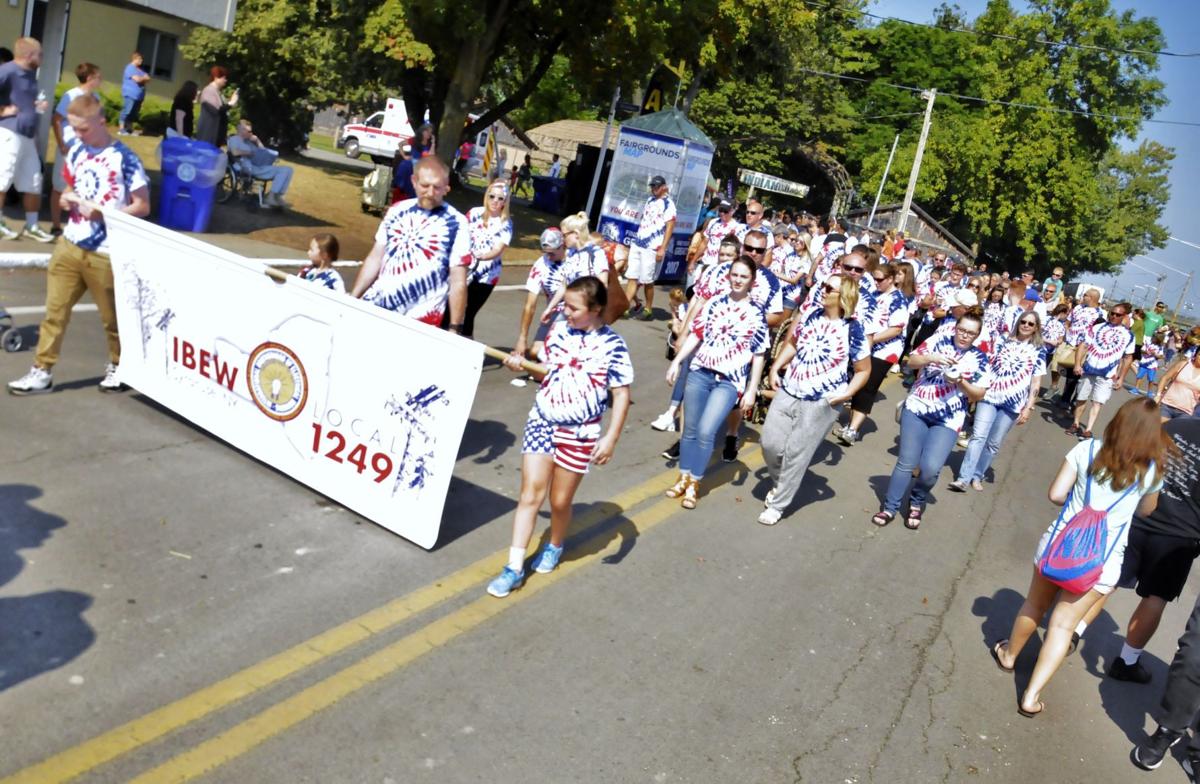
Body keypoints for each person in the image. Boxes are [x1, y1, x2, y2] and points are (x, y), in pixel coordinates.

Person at [991, 398, 1167, 718]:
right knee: (1062, 626)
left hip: (1059, 546)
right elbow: (1147, 510)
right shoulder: (1151, 473)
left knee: (1034, 603)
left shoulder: (1086, 450)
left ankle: (1009, 655)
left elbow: (1056, 494)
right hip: (1102, 562)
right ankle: (1031, 696)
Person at [486, 276, 632, 598]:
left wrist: (610, 438)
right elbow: (549, 370)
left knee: (560, 501)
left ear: (595, 309)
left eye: (572, 307)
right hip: (543, 420)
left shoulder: (613, 346)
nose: (564, 311)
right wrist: (520, 364)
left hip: (579, 433)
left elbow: (621, 394)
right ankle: (513, 567)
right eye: (565, 304)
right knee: (530, 496)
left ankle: (554, 544)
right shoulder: (560, 331)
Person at [8, 93, 151, 395]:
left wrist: (104, 213)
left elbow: (142, 205)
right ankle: (41, 370)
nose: (77, 135)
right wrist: (66, 196)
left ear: (101, 121)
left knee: (112, 319)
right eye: (73, 128)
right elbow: (72, 182)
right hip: (70, 244)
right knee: (54, 313)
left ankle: (119, 364)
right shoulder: (75, 150)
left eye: (83, 129)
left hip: (106, 252)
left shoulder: (125, 158)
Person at [760, 275, 871, 525]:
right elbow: (794, 344)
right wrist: (776, 367)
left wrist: (845, 395)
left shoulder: (853, 329)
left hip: (821, 400)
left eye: (828, 288)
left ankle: (778, 504)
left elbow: (864, 370)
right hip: (790, 389)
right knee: (771, 443)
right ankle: (781, 484)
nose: (822, 290)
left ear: (843, 296)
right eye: (822, 285)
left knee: (796, 453)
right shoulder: (810, 316)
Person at [872, 309, 991, 530]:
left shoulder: (980, 358)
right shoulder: (938, 340)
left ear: (977, 336)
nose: (964, 335)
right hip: (917, 408)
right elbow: (911, 362)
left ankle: (916, 500)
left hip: (948, 418)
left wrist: (960, 381)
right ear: (955, 328)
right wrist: (931, 358)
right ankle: (890, 507)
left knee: (930, 468)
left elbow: (978, 394)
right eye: (961, 330)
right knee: (906, 462)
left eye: (971, 333)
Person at [665, 257, 767, 510]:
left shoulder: (756, 313)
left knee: (706, 431)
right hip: (701, 372)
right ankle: (683, 476)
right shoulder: (713, 303)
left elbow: (759, 353)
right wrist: (677, 361)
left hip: (728, 381)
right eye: (735, 275)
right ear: (728, 275)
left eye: (743, 276)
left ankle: (695, 483)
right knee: (689, 430)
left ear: (751, 281)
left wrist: (752, 389)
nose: (738, 280)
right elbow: (697, 335)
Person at [350, 156, 470, 330]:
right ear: (414, 181)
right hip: (377, 307)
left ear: (446, 188)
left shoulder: (458, 223)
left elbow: (458, 280)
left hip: (420, 322)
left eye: (436, 187)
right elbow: (375, 258)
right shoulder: (396, 211)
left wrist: (454, 327)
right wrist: (353, 298)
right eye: (424, 185)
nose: (430, 192)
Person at [653, 236, 742, 441]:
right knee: (686, 369)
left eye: (730, 255)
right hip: (700, 331)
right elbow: (696, 301)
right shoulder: (710, 271)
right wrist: (684, 332)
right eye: (722, 254)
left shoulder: (739, 279)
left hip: (721, 338)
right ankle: (672, 413)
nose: (725, 259)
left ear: (737, 256)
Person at [950, 310, 1045, 491]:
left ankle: (977, 475)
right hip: (990, 396)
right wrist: (974, 389)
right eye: (1023, 321)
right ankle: (964, 478)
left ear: (1036, 328)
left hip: (1013, 403)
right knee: (978, 436)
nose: (1026, 325)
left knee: (993, 443)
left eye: (1030, 324)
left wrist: (1028, 408)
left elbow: (1036, 381)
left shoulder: (1039, 350)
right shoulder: (1002, 340)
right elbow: (985, 365)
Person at [840, 262, 912, 445]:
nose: (876, 282)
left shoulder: (898, 300)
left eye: (880, 279)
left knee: (868, 388)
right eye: (874, 279)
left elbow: (896, 329)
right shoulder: (874, 295)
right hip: (865, 347)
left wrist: (870, 339)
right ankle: (850, 425)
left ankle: (853, 430)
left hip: (885, 351)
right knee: (856, 384)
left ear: (890, 279)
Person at [0, 37, 53, 242]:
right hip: (8, 133)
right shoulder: (7, 71)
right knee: (2, 181)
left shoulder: (31, 74)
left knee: (33, 183)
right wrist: (4, 110)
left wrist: (36, 106)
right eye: (40, 54)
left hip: (28, 137)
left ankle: (32, 226)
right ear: (29, 55)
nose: (42, 57)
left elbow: (24, 100)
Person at [452, 179, 512, 339]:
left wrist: (482, 256)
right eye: (492, 196)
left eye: (500, 199)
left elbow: (498, 249)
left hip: (486, 276)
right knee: (453, 308)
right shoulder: (474, 213)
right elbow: (459, 232)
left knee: (469, 312)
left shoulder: (505, 224)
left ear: (505, 202)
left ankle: (468, 347)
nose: (495, 201)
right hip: (465, 268)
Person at [1068, 301, 1135, 439]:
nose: (1114, 316)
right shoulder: (1097, 327)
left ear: (1124, 316)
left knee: (1098, 402)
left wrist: (1121, 377)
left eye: (1118, 315)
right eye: (1112, 313)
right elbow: (1083, 345)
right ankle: (1075, 423)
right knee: (1081, 397)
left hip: (1107, 375)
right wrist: (1077, 364)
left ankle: (1088, 429)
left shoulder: (1128, 335)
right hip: (1088, 369)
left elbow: (1128, 358)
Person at [50, 62, 102, 236]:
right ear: (89, 78)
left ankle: (81, 225)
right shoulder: (71, 95)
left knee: (86, 187)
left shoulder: (96, 98)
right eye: (97, 77)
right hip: (70, 148)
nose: (100, 81)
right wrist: (61, 143)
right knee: (60, 186)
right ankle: (56, 225)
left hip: (88, 149)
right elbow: (56, 119)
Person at [624, 175, 676, 320]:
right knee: (632, 276)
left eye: (656, 186)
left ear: (664, 187)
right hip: (638, 242)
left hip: (652, 246)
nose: (653, 189)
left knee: (647, 280)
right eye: (652, 186)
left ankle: (648, 308)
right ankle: (625, 307)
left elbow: (670, 226)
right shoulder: (649, 200)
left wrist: (662, 248)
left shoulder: (668, 204)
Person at [512, 228, 567, 364]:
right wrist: (522, 338)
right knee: (536, 352)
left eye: (552, 253)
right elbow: (530, 304)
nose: (548, 257)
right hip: (553, 313)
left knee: (550, 359)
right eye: (545, 253)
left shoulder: (576, 260)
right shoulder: (541, 264)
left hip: (575, 314)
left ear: (562, 246)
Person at [226, 119, 294, 209]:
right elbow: (234, 152)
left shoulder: (248, 142)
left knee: (288, 170)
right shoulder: (234, 139)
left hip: (256, 166)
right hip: (246, 167)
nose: (250, 133)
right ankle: (271, 198)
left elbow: (264, 152)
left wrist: (257, 140)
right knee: (283, 171)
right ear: (240, 129)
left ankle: (276, 196)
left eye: (250, 131)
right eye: (248, 131)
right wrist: (248, 153)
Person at [1059, 287, 1103, 408]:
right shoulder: (1078, 308)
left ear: (1092, 298)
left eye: (1085, 295)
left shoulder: (1099, 314)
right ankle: (1065, 399)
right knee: (1069, 375)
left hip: (1085, 349)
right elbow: (1068, 323)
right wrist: (1067, 335)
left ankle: (1075, 401)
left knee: (1080, 376)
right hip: (1071, 346)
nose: (1083, 297)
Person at [195, 66, 238, 147]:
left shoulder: (217, 92)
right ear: (216, 78)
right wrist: (231, 103)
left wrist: (231, 103)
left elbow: (222, 109)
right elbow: (216, 110)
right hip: (209, 134)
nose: (226, 80)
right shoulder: (209, 91)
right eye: (224, 78)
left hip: (215, 135)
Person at [1156, 347, 1200, 420]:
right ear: (1195, 354)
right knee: (1161, 430)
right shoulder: (1183, 364)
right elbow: (1165, 378)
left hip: (1186, 412)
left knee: (1174, 432)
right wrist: (1158, 395)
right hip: (1167, 405)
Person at [118, 52, 149, 135]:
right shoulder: (130, 68)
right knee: (127, 111)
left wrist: (143, 78)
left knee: (133, 114)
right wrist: (143, 78)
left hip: (138, 96)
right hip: (130, 94)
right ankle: (121, 129)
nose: (141, 61)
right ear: (135, 58)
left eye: (142, 59)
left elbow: (148, 78)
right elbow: (137, 79)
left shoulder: (139, 70)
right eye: (140, 59)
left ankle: (129, 129)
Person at [1132, 333, 1163, 397]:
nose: (1153, 338)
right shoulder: (1148, 343)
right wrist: (1146, 352)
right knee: (1139, 376)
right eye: (1153, 337)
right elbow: (1142, 350)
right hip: (1144, 363)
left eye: (1154, 338)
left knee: (1151, 379)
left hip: (1152, 365)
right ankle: (1136, 388)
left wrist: (1155, 354)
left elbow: (1160, 356)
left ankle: (1149, 392)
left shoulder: (1160, 347)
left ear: (1158, 340)